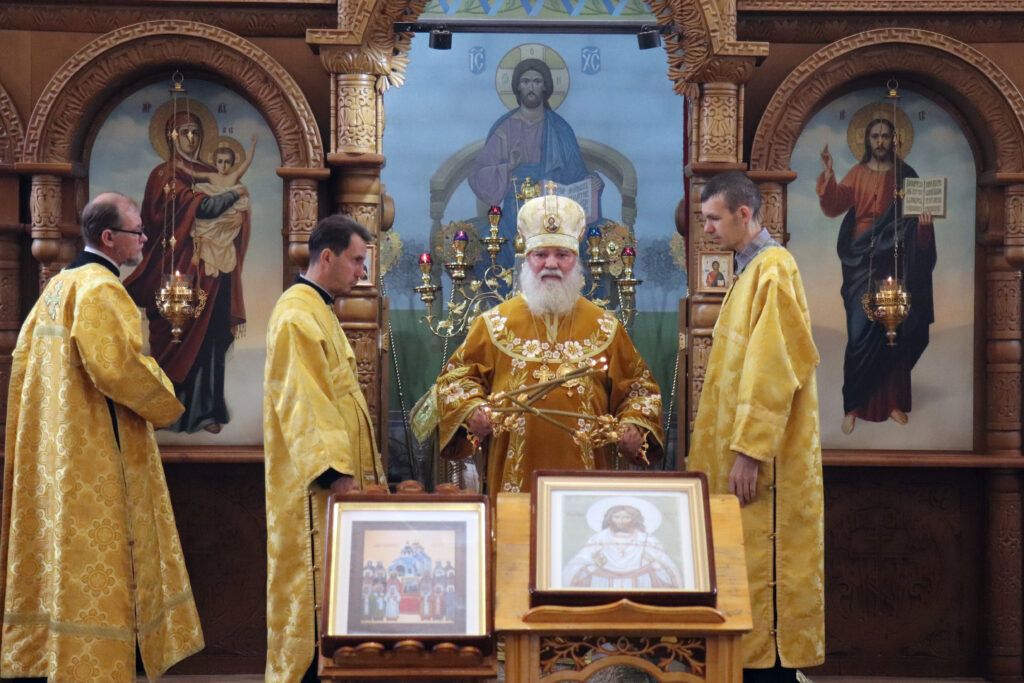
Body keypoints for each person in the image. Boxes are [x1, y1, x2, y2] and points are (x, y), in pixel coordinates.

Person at [0, 192, 204, 681]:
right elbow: (118, 369)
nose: (145, 239)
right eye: (137, 231)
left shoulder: (56, 287)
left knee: (63, 569)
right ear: (109, 238)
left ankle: (54, 659)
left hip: (59, 459)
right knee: (106, 571)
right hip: (98, 466)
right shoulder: (101, 289)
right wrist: (168, 398)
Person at [688, 172, 824, 681]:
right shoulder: (749, 271)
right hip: (739, 459)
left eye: (713, 218)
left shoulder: (774, 268)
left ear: (743, 214)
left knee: (761, 576)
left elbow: (774, 367)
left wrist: (750, 450)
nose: (706, 229)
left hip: (760, 468)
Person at [436, 192, 663, 495]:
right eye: (541, 255)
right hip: (513, 481)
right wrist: (473, 411)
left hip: (587, 484)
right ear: (527, 260)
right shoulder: (493, 324)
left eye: (562, 255)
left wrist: (634, 426)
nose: (551, 264)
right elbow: (454, 380)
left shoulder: (606, 327)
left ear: (576, 261)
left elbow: (639, 391)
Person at [263, 214, 387, 682]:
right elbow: (306, 401)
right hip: (318, 496)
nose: (362, 272)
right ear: (328, 256)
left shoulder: (319, 309)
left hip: (338, 489)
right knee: (315, 599)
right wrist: (339, 476)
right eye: (356, 260)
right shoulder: (298, 315)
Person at [124, 111, 251, 434]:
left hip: (213, 271)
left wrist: (232, 208)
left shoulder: (209, 172)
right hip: (176, 273)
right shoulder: (163, 175)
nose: (192, 138)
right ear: (171, 137)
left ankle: (208, 412)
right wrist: (234, 195)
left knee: (213, 336)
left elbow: (228, 212)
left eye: (196, 132)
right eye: (185, 132)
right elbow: (195, 208)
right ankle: (168, 411)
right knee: (176, 340)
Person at [817, 118, 937, 434]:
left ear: (894, 140)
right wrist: (828, 175)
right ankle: (853, 406)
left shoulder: (906, 176)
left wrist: (923, 228)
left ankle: (893, 402)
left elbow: (915, 221)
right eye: (875, 136)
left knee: (892, 328)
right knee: (859, 333)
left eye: (885, 136)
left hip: (894, 260)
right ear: (867, 140)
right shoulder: (857, 173)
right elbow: (835, 204)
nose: (880, 141)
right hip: (860, 262)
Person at [468, 58, 603, 246]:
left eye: (537, 81)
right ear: (518, 87)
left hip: (554, 215)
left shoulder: (560, 128)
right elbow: (479, 174)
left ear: (545, 87)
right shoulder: (505, 128)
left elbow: (576, 174)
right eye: (525, 81)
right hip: (515, 215)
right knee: (483, 245)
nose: (531, 87)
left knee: (591, 237)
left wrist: (591, 181)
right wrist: (509, 166)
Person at [563, 502, 683, 589]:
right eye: (617, 517)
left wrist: (654, 562)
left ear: (634, 519)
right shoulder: (599, 538)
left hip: (641, 581)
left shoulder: (647, 540)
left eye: (626, 517)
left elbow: (667, 565)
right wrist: (593, 563)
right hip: (603, 581)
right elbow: (577, 563)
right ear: (610, 519)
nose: (621, 521)